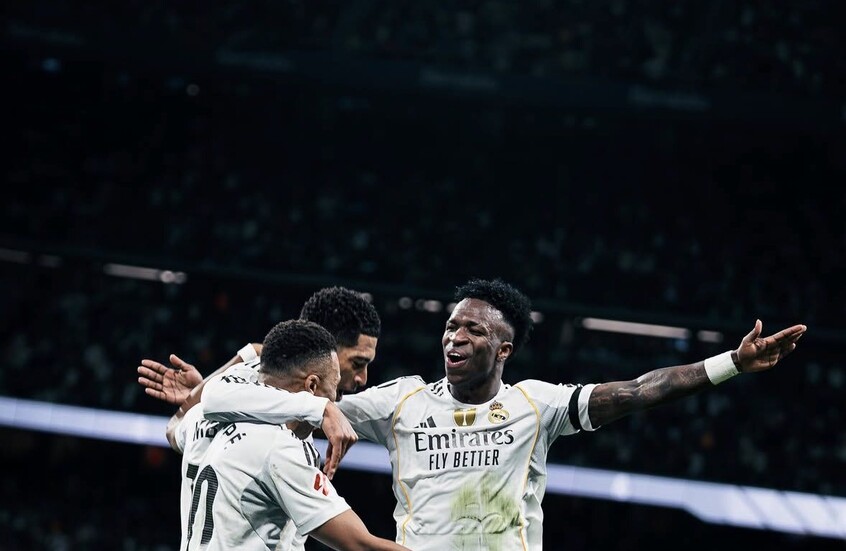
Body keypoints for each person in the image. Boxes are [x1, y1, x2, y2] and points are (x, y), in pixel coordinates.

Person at [153, 278, 808, 550]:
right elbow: (293, 390)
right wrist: (220, 379)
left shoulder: (537, 404)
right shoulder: (401, 400)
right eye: (450, 325)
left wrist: (730, 362)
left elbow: (639, 389)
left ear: (504, 348)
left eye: (473, 329)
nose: (455, 336)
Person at [137, 286, 382, 549]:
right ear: (324, 350)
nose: (363, 378)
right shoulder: (277, 441)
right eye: (357, 363)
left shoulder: (232, 396)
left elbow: (178, 427)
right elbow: (360, 545)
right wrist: (321, 408)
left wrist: (201, 390)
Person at [179, 317, 409, 550]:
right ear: (311, 385)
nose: (336, 399)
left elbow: (175, 430)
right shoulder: (279, 448)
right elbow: (360, 545)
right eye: (335, 385)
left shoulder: (203, 419)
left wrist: (243, 357)